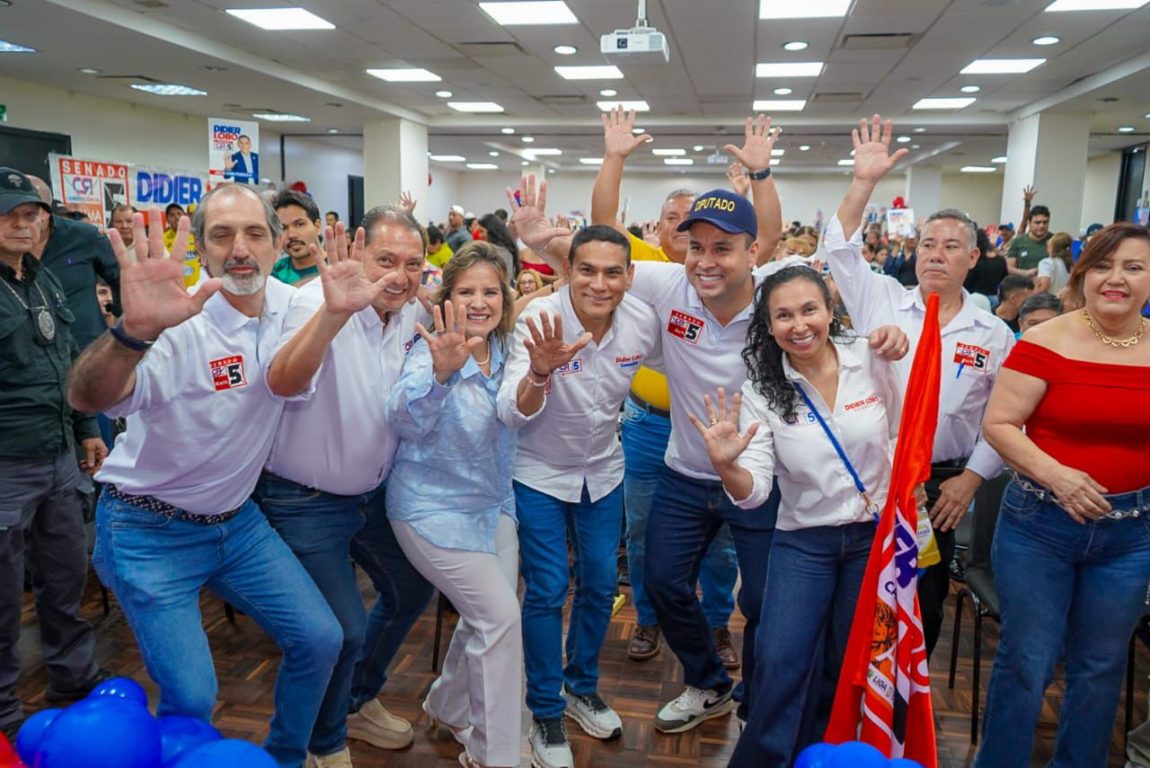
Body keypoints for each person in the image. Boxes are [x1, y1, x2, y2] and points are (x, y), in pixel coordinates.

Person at [67, 185, 343, 768]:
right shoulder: (177, 321)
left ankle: (285, 757)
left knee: (321, 640)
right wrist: (131, 333)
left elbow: (287, 381)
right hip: (147, 530)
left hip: (237, 523)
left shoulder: (294, 306)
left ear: (277, 245)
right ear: (201, 248)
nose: (239, 249)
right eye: (222, 235)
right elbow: (87, 396)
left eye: (254, 234)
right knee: (193, 698)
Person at [693, 266, 905, 768]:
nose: (799, 324)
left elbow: (902, 432)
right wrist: (726, 467)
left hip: (872, 540)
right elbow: (754, 492)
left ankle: (822, 754)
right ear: (769, 327)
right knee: (779, 661)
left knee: (847, 660)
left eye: (810, 309)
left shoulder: (871, 358)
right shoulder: (762, 391)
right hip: (803, 543)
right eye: (783, 315)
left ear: (830, 311)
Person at [825, 115, 1016, 662]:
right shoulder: (882, 298)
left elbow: (1007, 417)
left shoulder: (993, 335)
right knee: (856, 594)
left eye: (951, 246)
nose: (935, 254)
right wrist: (863, 182)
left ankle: (905, 696)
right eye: (928, 243)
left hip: (939, 486)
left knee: (921, 604)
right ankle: (848, 690)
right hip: (870, 471)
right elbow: (839, 249)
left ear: (973, 258)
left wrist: (971, 480)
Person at [260, 207, 433, 766]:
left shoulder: (410, 313)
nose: (399, 276)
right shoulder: (313, 303)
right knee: (341, 629)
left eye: (413, 264)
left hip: (373, 497)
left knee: (411, 588)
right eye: (386, 260)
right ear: (357, 254)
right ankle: (322, 744)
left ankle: (354, 701)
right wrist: (334, 315)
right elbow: (284, 383)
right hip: (303, 501)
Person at [977, 223, 1150, 768]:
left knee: (1100, 666)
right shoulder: (1045, 341)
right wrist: (1060, 477)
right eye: (1103, 266)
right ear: (1082, 275)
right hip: (1040, 525)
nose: (1116, 279)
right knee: (1027, 661)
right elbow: (999, 424)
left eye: (1133, 268)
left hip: (1131, 534)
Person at [497, 225, 659, 768]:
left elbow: (683, 365)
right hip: (538, 474)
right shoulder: (539, 319)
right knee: (547, 588)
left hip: (604, 473)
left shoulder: (642, 321)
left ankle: (580, 688)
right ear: (568, 269)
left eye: (613, 272)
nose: (599, 283)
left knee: (600, 584)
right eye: (587, 270)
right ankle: (545, 710)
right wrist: (539, 373)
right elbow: (509, 410)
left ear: (629, 276)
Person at [590, 107, 743, 668]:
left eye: (690, 220)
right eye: (672, 219)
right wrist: (614, 158)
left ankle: (716, 624)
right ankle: (649, 619)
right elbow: (602, 228)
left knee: (721, 545)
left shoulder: (725, 277)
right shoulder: (646, 268)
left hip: (716, 434)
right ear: (656, 230)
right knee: (644, 533)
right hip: (650, 428)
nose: (681, 227)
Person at [385, 242, 520, 768]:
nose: (479, 302)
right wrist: (441, 376)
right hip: (430, 510)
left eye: (490, 292)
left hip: (493, 504)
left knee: (485, 616)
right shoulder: (431, 350)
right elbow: (402, 419)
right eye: (467, 292)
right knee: (500, 618)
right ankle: (493, 756)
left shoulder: (508, 349)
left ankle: (447, 703)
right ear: (447, 299)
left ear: (505, 299)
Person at [0, 168, 109, 743]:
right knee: (2, 597)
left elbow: (67, 361)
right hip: (7, 463)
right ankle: (3, 711)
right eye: (9, 214)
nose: (23, 223)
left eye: (30, 214)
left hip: (59, 456)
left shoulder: (40, 280)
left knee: (66, 577)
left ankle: (73, 679)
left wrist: (87, 426)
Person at [23, 176, 120, 351]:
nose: (18, 223)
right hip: (27, 356)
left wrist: (123, 325)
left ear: (45, 212)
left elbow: (120, 279)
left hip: (87, 349)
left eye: (27, 213)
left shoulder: (84, 237)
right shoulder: (7, 244)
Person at [271, 189, 324, 286]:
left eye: (299, 225)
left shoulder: (339, 268)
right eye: (283, 228)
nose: (291, 235)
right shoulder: (274, 274)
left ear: (317, 227)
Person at [1007, 202, 1051, 277]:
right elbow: (1009, 268)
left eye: (1045, 222)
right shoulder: (1018, 241)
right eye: (1037, 222)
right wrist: (1025, 273)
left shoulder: (1056, 240)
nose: (1041, 226)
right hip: (1023, 282)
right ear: (1029, 223)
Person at [477, 212, 521, 280]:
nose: (480, 235)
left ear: (491, 232)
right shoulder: (507, 249)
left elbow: (506, 279)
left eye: (482, 231)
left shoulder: (500, 252)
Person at [1035, 231, 1072, 296]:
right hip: (1066, 299)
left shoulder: (1046, 263)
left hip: (1050, 300)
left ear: (1053, 247)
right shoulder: (1072, 265)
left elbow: (1043, 288)